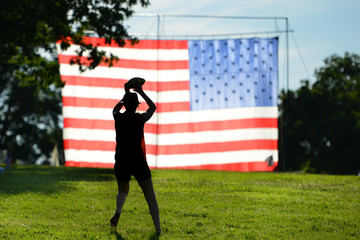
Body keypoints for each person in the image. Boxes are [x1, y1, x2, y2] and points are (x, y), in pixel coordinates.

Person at [110, 78, 161, 235]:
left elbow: (115, 109)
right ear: (136, 105)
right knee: (150, 196)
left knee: (123, 190)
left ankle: (118, 211)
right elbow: (153, 107)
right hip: (138, 161)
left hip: (122, 161)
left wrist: (125, 94)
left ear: (125, 104)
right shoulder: (140, 119)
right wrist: (140, 91)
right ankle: (158, 229)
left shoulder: (118, 117)